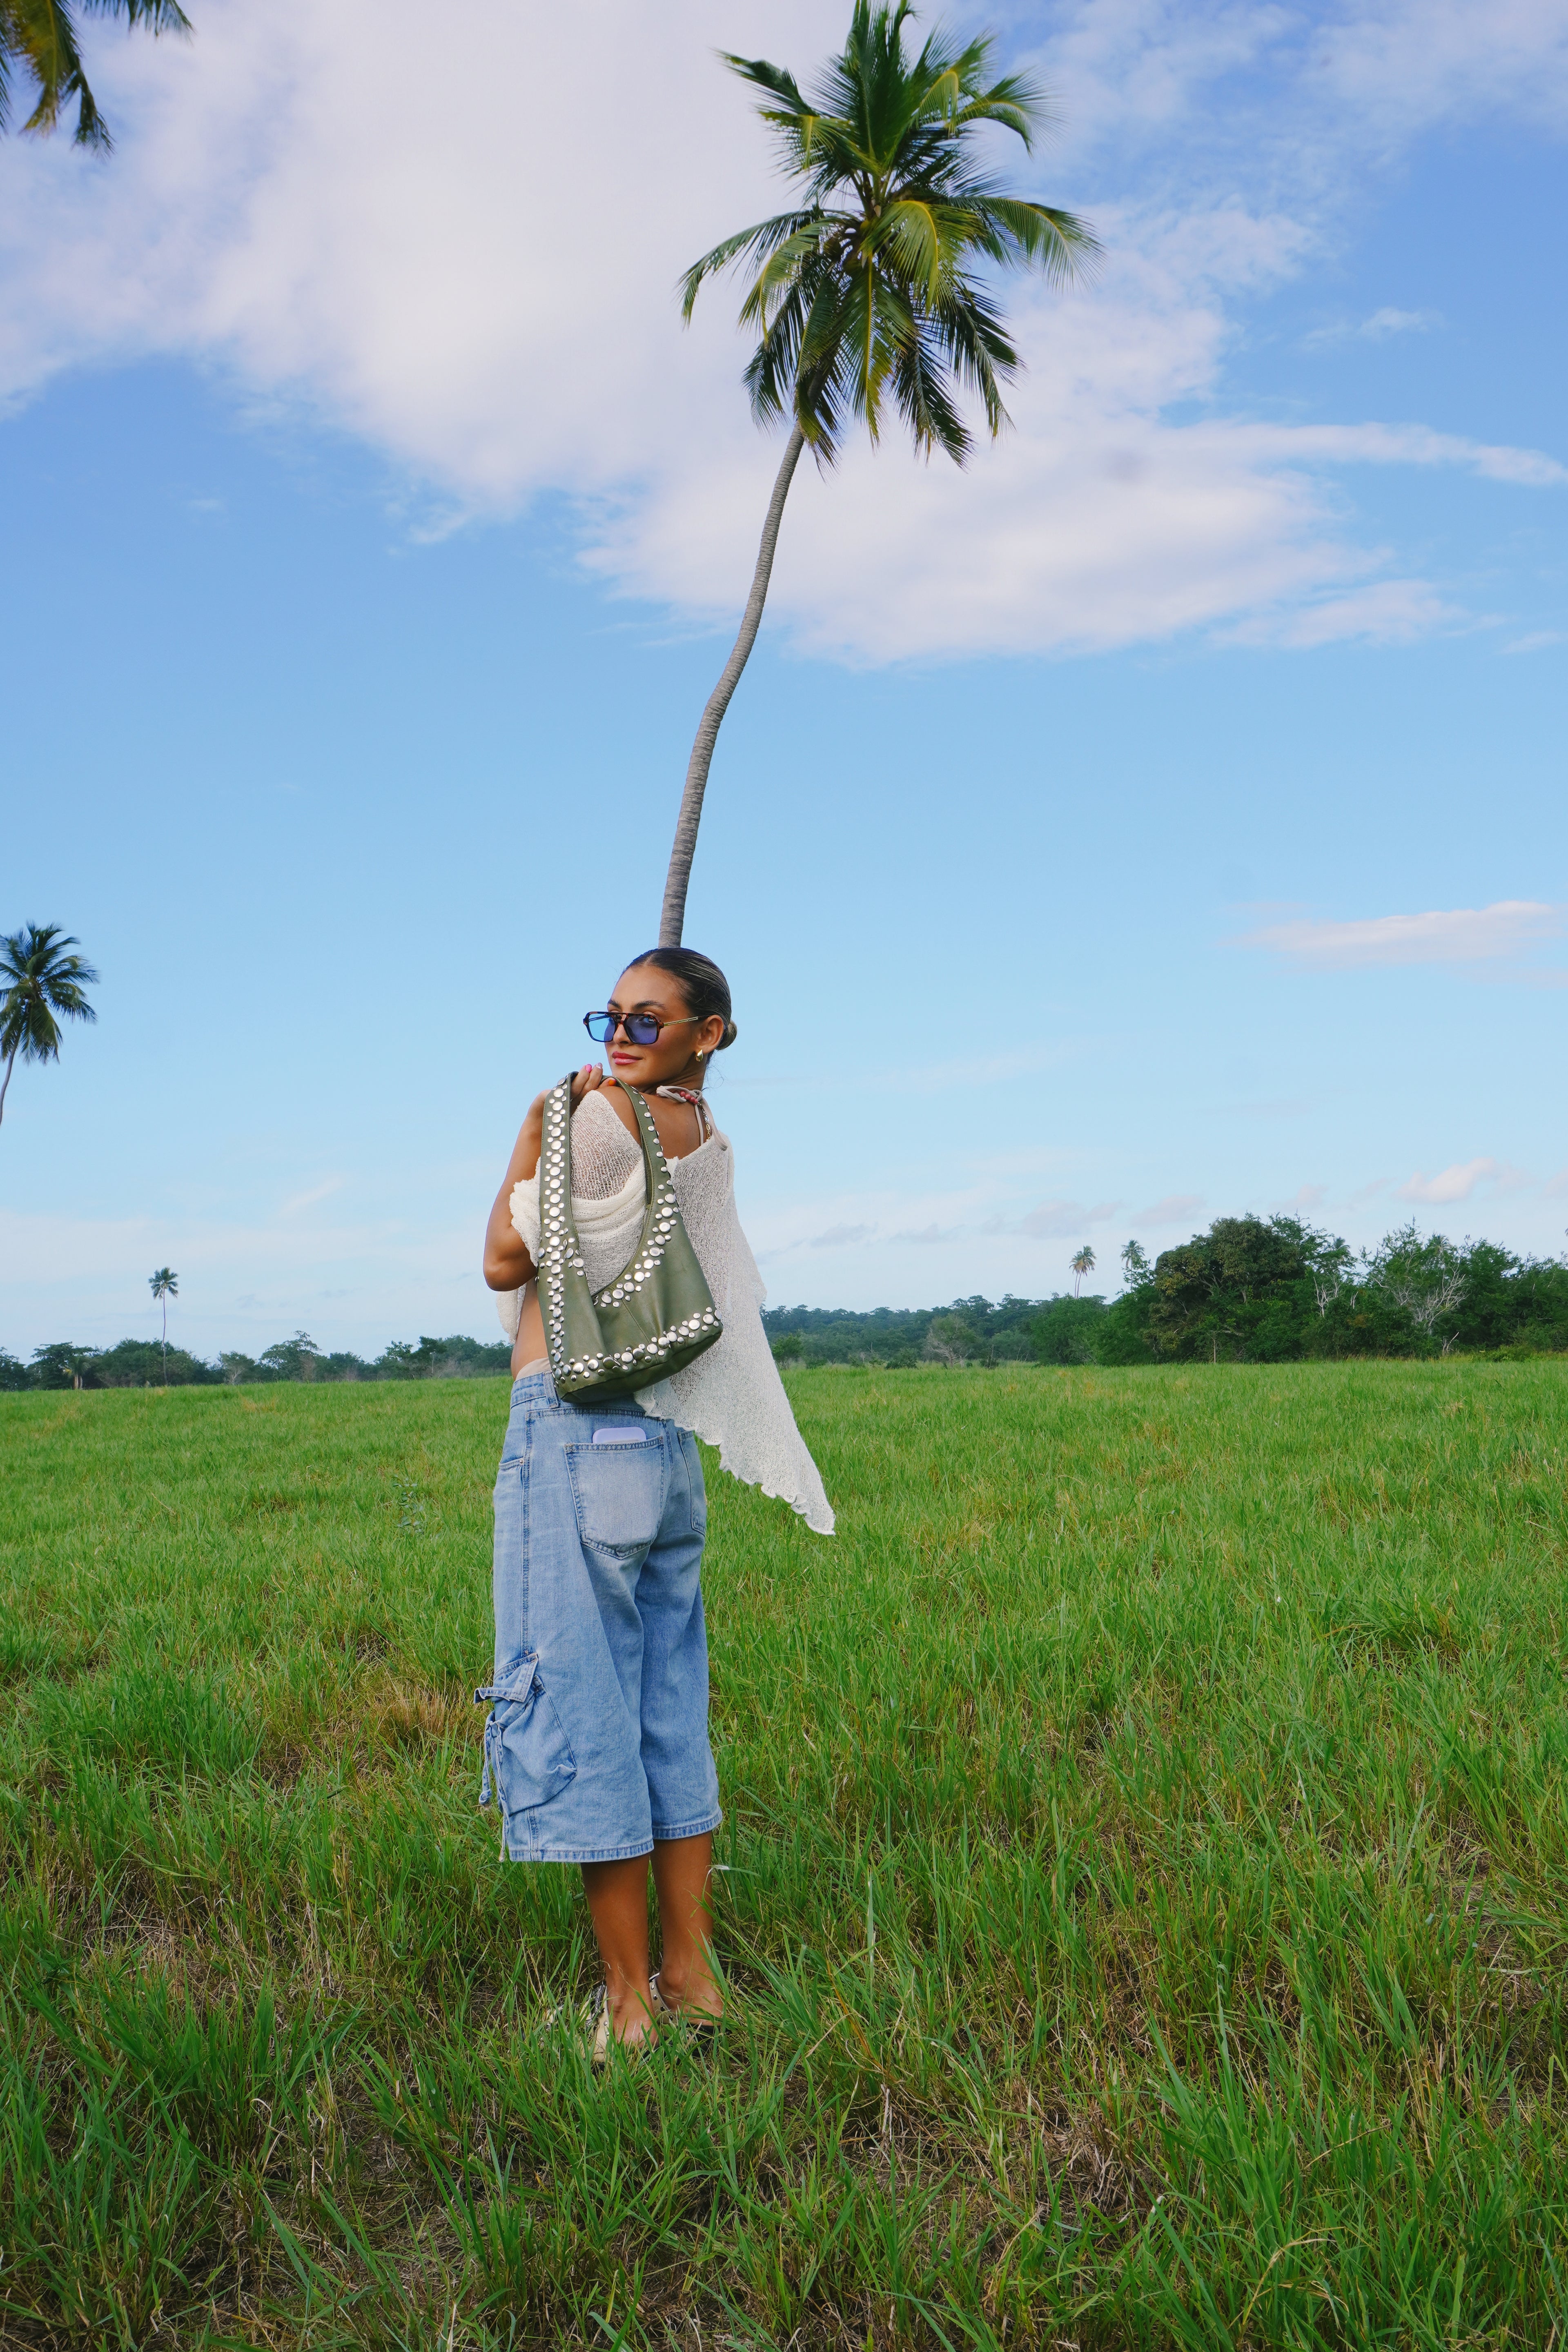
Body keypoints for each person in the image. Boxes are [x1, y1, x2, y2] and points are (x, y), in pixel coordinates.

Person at [481, 947, 833, 2056]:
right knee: (669, 1717)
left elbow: (502, 1260)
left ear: (709, 1033)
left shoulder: (588, 1123)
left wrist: (537, 1127)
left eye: (648, 1019)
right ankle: (695, 1977)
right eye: (611, 1017)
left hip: (576, 1438)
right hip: (668, 1454)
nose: (619, 1037)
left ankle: (628, 2005)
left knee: (587, 1721)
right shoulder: (707, 1140)